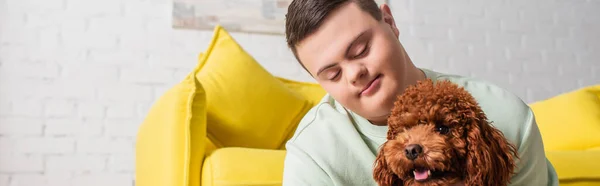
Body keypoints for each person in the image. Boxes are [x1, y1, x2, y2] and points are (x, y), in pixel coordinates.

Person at [281, 0, 559, 185]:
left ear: (389, 22)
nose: (354, 74)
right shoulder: (312, 155)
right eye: (333, 74)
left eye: (360, 50)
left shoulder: (507, 116)